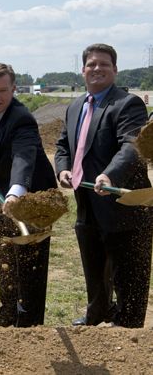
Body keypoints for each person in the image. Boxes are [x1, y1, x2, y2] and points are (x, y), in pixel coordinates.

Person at [55, 43, 152, 328]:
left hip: (125, 206)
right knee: (94, 266)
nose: (97, 68)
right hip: (87, 204)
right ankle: (96, 313)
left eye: (104, 64)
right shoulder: (75, 106)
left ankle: (128, 327)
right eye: (91, 64)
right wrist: (62, 169)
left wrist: (110, 175)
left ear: (115, 70)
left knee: (129, 273)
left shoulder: (128, 104)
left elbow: (132, 146)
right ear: (83, 70)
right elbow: (63, 145)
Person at [0, 63, 54, 328]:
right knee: (4, 261)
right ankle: (7, 315)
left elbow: (23, 157)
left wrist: (17, 191)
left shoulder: (22, 118)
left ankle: (29, 327)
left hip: (32, 202)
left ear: (14, 89)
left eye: (3, 90)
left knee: (29, 269)